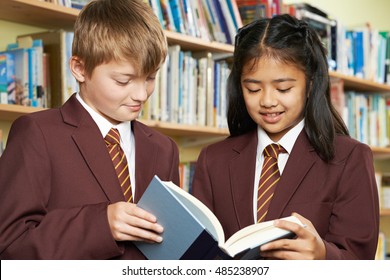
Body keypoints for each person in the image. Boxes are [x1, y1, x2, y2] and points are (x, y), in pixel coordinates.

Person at [0, 0, 180, 259]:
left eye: (150, 78)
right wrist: (101, 224)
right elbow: (9, 246)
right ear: (80, 69)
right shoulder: (37, 134)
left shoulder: (164, 149)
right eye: (123, 80)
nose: (141, 95)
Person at [192, 14, 379, 260]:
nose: (268, 101)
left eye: (283, 89)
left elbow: (361, 260)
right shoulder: (213, 159)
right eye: (253, 89)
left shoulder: (350, 157)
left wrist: (323, 255)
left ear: (310, 84)